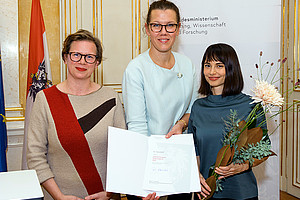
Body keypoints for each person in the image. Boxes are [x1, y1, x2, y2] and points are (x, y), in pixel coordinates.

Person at [26, 29, 126, 200]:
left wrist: (111, 193)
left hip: (105, 195)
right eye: (76, 55)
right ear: (65, 58)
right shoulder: (45, 99)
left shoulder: (111, 98)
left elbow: (122, 152)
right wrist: (59, 196)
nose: (82, 61)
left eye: (89, 57)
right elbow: (35, 156)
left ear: (97, 63)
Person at [122, 0, 198, 200]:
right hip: (147, 160)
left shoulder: (187, 65)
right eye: (156, 25)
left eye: (170, 25)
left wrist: (181, 123)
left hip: (179, 158)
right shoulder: (136, 69)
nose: (163, 32)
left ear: (178, 28)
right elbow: (137, 125)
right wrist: (146, 176)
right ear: (147, 29)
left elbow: (193, 110)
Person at [188, 43, 268, 200]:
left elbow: (264, 148)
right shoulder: (198, 107)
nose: (212, 72)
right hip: (207, 191)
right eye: (207, 65)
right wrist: (195, 175)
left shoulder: (251, 105)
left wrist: (241, 167)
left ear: (231, 68)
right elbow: (194, 149)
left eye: (219, 66)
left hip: (242, 192)